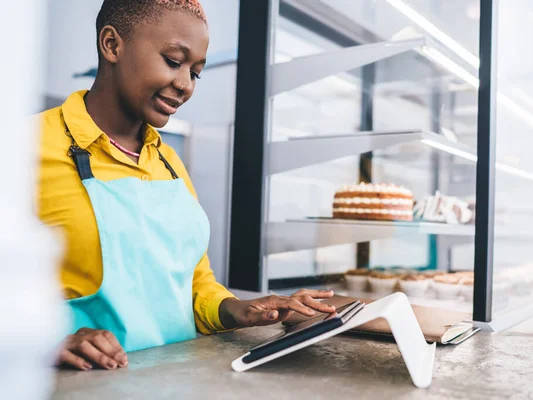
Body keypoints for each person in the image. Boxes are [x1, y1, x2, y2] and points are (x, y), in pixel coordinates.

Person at [37, 0, 335, 372]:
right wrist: (45, 340)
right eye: (173, 61)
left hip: (177, 378)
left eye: (196, 73)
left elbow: (194, 285)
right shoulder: (25, 148)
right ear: (112, 45)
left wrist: (241, 309)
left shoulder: (168, 163)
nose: (184, 85)